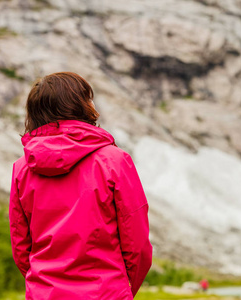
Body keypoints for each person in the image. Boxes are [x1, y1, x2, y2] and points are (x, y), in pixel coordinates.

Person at [9, 72, 153, 299]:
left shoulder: (22, 168)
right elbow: (137, 244)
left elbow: (21, 247)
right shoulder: (115, 161)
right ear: (80, 105)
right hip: (105, 293)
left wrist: (43, 286)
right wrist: (122, 289)